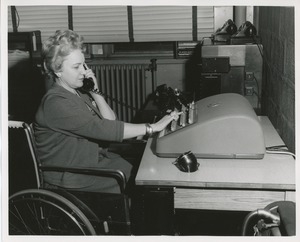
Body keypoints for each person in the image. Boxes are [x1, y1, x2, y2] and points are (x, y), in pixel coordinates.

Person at [33, 29, 179, 194]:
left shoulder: (77, 92)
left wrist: (95, 92)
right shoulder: (56, 103)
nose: (84, 71)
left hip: (91, 161)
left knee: (141, 172)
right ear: (57, 70)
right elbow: (104, 129)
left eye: (84, 64)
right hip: (72, 175)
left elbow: (110, 122)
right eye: (76, 67)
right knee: (141, 183)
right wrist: (152, 127)